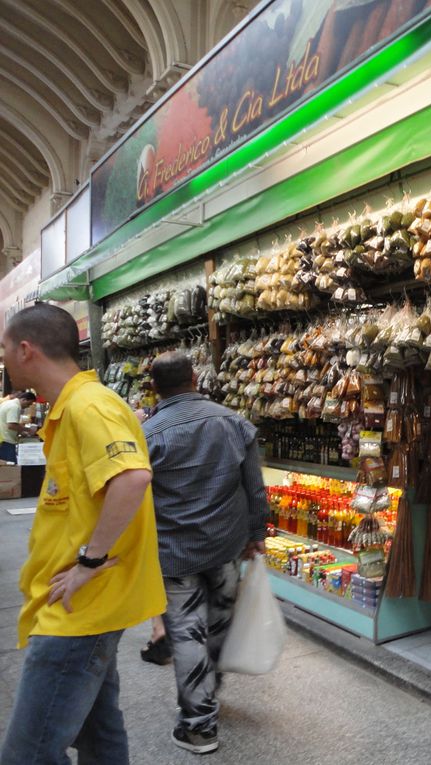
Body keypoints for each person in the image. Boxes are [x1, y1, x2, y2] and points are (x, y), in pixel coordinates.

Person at [0, 304, 166, 764]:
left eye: (5, 348)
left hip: (78, 612)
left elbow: (132, 477)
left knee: (27, 754)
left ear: (26, 350)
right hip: (83, 606)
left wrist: (88, 563)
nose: (4, 357)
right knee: (98, 734)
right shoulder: (72, 407)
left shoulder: (89, 406)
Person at [143, 351, 268, 754]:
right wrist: (256, 533)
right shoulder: (233, 422)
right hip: (226, 546)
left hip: (175, 552)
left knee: (187, 631)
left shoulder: (148, 434)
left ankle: (199, 724)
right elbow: (254, 487)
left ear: (154, 388)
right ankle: (207, 693)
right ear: (195, 378)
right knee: (217, 624)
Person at [0, 390, 37, 462]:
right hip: (6, 441)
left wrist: (21, 432)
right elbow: (11, 425)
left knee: (4, 467)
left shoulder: (7, 403)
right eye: (28, 404)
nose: (27, 407)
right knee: (9, 467)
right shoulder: (15, 407)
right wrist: (28, 430)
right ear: (23, 399)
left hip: (2, 439)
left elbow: (9, 422)